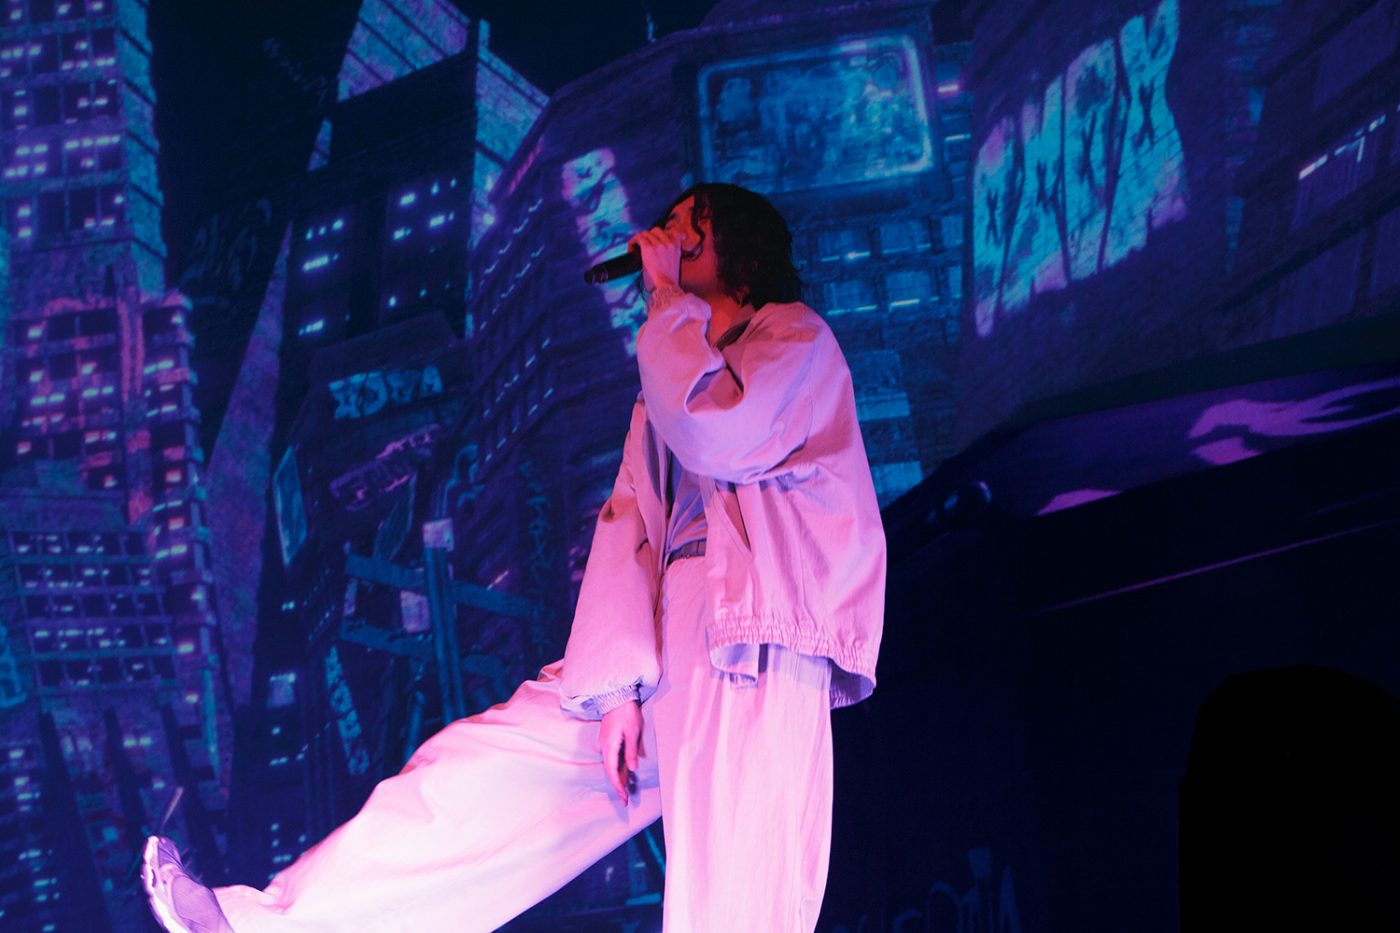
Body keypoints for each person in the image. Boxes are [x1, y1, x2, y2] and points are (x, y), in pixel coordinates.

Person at [142, 182, 886, 932]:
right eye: (664, 229)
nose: (665, 241)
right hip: (660, 633)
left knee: (736, 891)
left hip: (753, 636)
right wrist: (614, 685)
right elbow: (626, 528)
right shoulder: (665, 381)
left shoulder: (795, 340)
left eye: (687, 229)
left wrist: (664, 296)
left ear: (740, 249)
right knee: (478, 779)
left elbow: (722, 431)